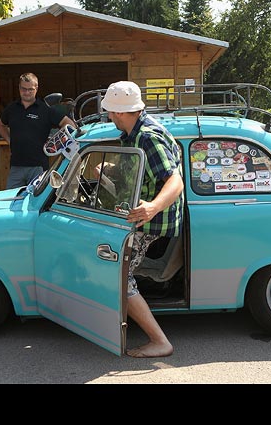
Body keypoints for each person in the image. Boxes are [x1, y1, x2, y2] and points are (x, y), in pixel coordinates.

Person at [100, 81, 184, 358]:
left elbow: (175, 180)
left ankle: (159, 341)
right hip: (139, 214)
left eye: (111, 112)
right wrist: (110, 167)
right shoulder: (132, 134)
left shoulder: (148, 136)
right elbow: (141, 170)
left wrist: (153, 207)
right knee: (118, 272)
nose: (110, 117)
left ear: (122, 113)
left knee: (119, 278)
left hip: (148, 219)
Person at [0, 73, 76, 189]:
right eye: (24, 89)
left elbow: (69, 124)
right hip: (16, 166)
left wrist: (56, 143)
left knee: (35, 202)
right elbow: (1, 125)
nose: (27, 92)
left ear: (36, 88)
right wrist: (9, 140)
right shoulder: (11, 108)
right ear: (19, 88)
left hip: (38, 167)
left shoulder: (45, 109)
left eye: (30, 89)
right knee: (11, 200)